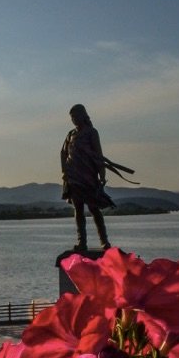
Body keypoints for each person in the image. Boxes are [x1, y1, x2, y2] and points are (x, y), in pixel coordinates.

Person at [60, 104, 114, 251]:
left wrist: (102, 174)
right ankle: (81, 241)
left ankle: (104, 241)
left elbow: (98, 155)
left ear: (83, 115)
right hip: (73, 177)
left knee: (94, 209)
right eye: (72, 117)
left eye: (76, 116)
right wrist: (64, 172)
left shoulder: (91, 132)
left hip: (88, 176)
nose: (74, 120)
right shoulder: (70, 134)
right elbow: (63, 153)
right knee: (78, 209)